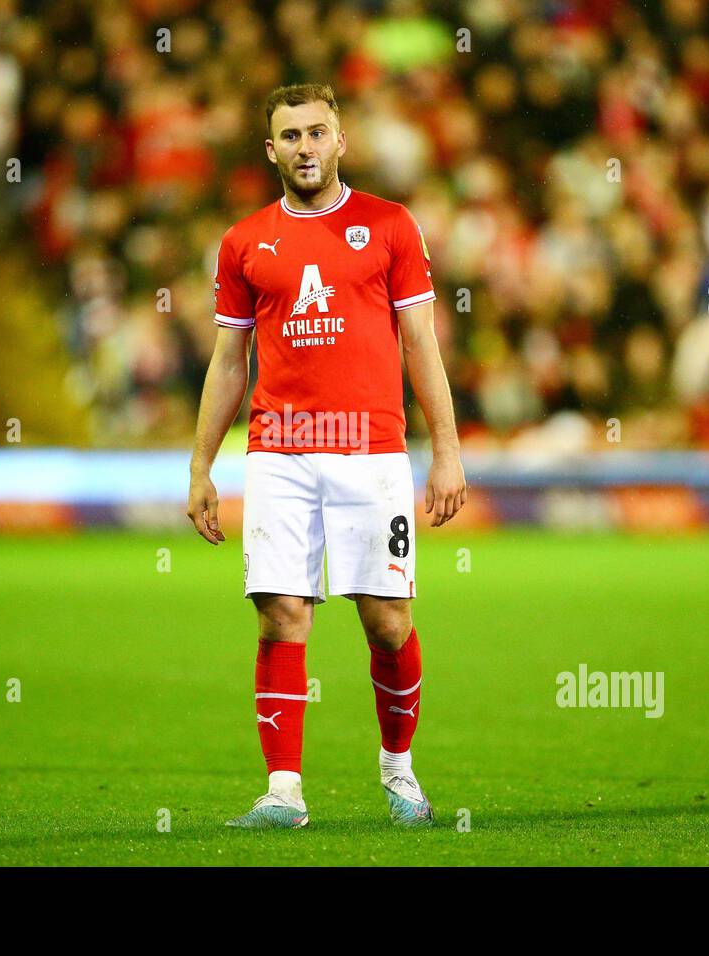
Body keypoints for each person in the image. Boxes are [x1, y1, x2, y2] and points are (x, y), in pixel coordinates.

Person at [186, 83, 467, 828]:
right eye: (290, 135)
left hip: (371, 450)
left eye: (317, 132)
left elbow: (420, 344)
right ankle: (283, 793)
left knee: (388, 622)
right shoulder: (244, 241)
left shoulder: (390, 226)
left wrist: (446, 450)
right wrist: (201, 466)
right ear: (270, 149)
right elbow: (227, 361)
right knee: (281, 616)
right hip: (279, 450)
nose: (305, 147)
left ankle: (399, 773)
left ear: (340, 139)